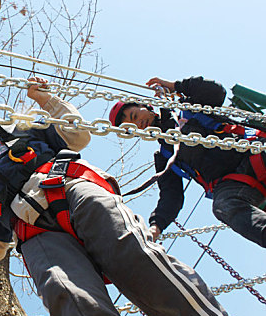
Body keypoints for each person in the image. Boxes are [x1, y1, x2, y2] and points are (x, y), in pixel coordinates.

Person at [0, 77, 250, 316]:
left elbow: (76, 136)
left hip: (72, 189)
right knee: (67, 295)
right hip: (36, 235)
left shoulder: (20, 130)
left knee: (136, 257)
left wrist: (45, 100)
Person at [110, 76, 266, 248]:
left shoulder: (187, 109)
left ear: (145, 106)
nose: (139, 123)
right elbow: (171, 196)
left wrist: (175, 86)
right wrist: (156, 227)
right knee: (223, 205)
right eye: (132, 127)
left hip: (253, 150)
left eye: (135, 115)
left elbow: (216, 92)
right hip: (234, 184)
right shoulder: (165, 156)